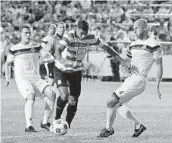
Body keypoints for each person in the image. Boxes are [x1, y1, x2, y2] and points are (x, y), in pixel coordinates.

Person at [53, 20, 130, 128]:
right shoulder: (69, 36)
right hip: (62, 70)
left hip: (76, 72)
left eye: (85, 33)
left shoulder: (91, 38)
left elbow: (107, 48)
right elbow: (58, 49)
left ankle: (66, 125)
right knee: (64, 95)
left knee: (73, 100)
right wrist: (60, 59)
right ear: (76, 29)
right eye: (81, 33)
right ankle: (56, 119)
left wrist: (122, 61)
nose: (83, 35)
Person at [98, 19, 163, 138]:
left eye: (136, 28)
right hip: (131, 78)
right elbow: (128, 60)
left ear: (145, 28)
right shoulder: (133, 44)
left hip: (139, 80)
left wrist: (158, 85)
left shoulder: (154, 45)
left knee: (111, 101)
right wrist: (126, 66)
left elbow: (159, 65)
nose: (134, 30)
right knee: (117, 105)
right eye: (133, 28)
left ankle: (108, 129)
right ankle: (137, 126)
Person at [5, 24, 56, 132]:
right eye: (25, 33)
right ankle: (29, 125)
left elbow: (48, 58)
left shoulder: (37, 46)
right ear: (20, 34)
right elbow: (7, 63)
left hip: (36, 78)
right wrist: (7, 77)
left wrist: (50, 63)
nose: (28, 35)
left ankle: (45, 122)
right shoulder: (14, 48)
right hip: (22, 78)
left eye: (29, 33)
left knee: (51, 93)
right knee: (30, 96)